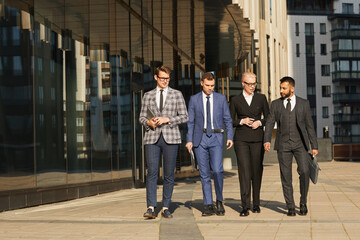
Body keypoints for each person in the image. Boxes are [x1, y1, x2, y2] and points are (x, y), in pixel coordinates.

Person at [263, 76, 318, 216]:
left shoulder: (304, 104)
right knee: (286, 176)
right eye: (280, 88)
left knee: (305, 171)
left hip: (300, 144)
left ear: (292, 89)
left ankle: (303, 201)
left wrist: (314, 145)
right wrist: (267, 139)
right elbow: (269, 122)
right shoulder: (275, 104)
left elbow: (310, 126)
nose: (281, 91)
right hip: (283, 145)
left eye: (284, 88)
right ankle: (290, 206)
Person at [139, 65, 188, 219]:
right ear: (156, 77)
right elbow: (141, 117)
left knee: (168, 174)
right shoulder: (147, 95)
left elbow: (185, 116)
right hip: (152, 138)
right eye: (162, 78)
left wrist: (168, 119)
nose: (165, 81)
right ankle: (151, 207)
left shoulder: (177, 94)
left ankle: (166, 207)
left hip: (171, 138)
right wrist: (149, 122)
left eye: (167, 78)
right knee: (152, 173)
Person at [186, 72, 233, 216]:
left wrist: (229, 136)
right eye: (207, 85)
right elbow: (191, 122)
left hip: (216, 137)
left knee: (218, 171)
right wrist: (189, 140)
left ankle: (219, 200)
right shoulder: (194, 99)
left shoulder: (221, 99)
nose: (210, 88)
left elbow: (227, 119)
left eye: (212, 86)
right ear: (201, 83)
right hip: (200, 138)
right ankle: (207, 204)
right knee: (204, 174)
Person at [229, 72, 269, 217]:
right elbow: (229, 120)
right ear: (243, 83)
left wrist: (260, 122)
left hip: (258, 139)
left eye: (254, 84)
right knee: (244, 172)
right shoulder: (235, 100)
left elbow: (269, 117)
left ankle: (256, 203)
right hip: (241, 140)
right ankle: (245, 206)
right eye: (249, 84)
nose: (252, 87)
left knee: (256, 171)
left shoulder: (261, 98)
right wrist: (241, 121)